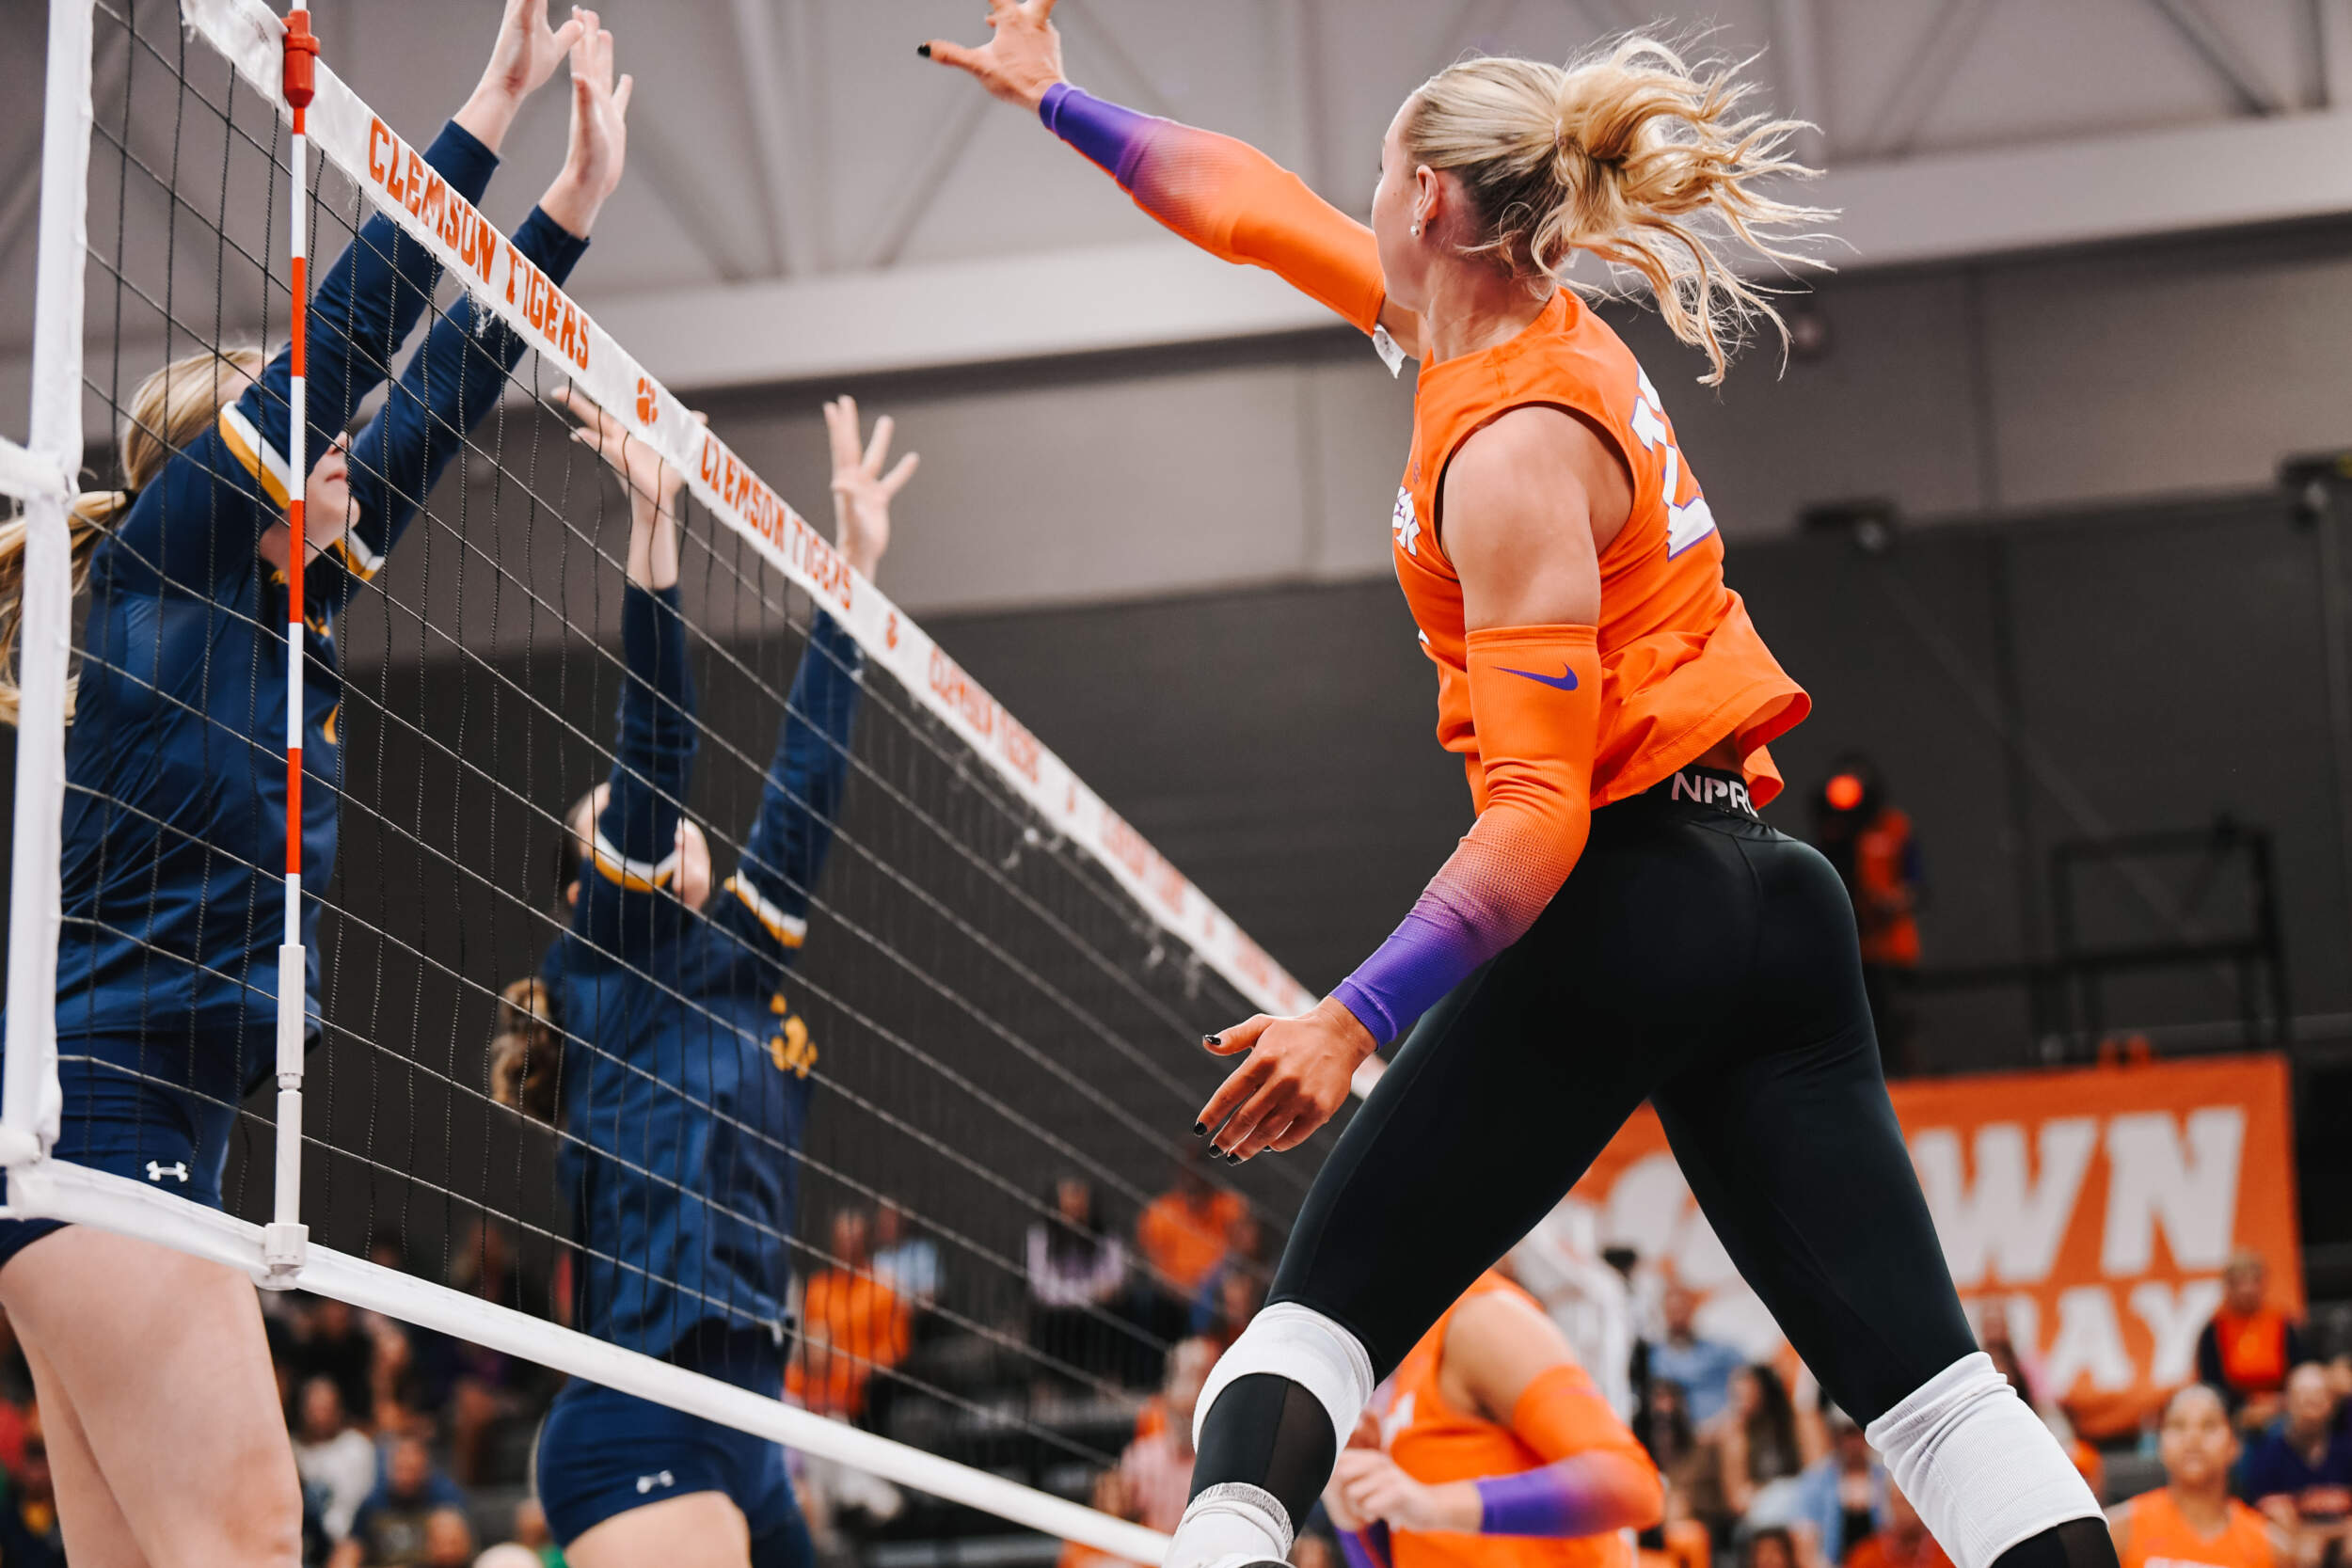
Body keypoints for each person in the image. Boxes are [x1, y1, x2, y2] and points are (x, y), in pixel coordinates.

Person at [924, 8, 2112, 1568]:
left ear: (1427, 196)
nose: (1355, 198)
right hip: (1767, 895)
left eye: (1376, 172)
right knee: (1933, 1395)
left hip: (1630, 891)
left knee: (1305, 1338)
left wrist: (1352, 1017)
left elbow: (1541, 816)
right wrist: (1058, 103)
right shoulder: (1485, 327)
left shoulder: (1508, 452)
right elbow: (1253, 210)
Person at [0, 6, 625, 1562]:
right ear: (235, 474)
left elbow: (436, 400)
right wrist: (484, 110)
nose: (344, 445)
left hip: (135, 1140)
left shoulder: (292, 618)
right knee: (257, 1539)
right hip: (106, 1130)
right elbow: (347, 335)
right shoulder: (165, 572)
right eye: (306, 435)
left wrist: (568, 210)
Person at [502, 388, 911, 1568]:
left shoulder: (738, 960)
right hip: (641, 1407)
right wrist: (653, 525)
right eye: (616, 823)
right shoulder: (602, 962)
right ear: (588, 886)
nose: (656, 824)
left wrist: (851, 574)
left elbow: (806, 780)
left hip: (751, 1408)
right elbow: (658, 744)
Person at [1323, 1271, 1661, 1568]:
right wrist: (1355, 1519)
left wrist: (1434, 1504)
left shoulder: (1480, 1318)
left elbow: (1631, 1484)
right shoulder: (1410, 1353)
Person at [1809, 757, 1921, 1075]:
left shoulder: (1895, 827)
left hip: (1893, 946)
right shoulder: (1835, 832)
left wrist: (1892, 903)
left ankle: (1904, 1074)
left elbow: (1917, 883)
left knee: (1894, 1016)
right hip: (1851, 948)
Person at [2106, 1385, 2285, 1568]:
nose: (2193, 1437)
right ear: (2160, 1444)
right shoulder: (2116, 1532)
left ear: (2234, 1445)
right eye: (2178, 1425)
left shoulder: (2273, 1550)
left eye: (2209, 1425)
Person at [792, 1209, 914, 1426]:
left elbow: (896, 1348)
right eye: (843, 1240)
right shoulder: (816, 1288)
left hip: (859, 1394)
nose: (848, 1246)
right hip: (809, 1388)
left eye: (854, 1240)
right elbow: (803, 1342)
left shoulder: (884, 1289)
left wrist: (857, 1370)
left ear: (866, 1241)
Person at [1029, 1176, 1134, 1385]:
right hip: (1057, 1317)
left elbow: (1117, 1281)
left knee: (1112, 1314)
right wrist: (1089, 1293)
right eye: (1069, 1211)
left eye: (1080, 1210)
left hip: (1096, 1315)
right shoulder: (1040, 1238)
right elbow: (1042, 1290)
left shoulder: (1107, 1238)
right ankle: (1048, 1384)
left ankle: (1108, 1381)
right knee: (1048, 1319)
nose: (1075, 1218)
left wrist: (1079, 1294)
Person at [2240, 1363, 2352, 1554]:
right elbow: (2262, 1519)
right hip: (2293, 1549)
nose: (2310, 1403)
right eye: (2302, 1396)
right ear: (2287, 1402)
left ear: (2332, 1403)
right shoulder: (2268, 1455)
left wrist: (2323, 1535)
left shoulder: (2346, 1450)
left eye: (2318, 1395)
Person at [2199, 1251, 2309, 1433]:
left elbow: (2299, 1368)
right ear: (2228, 1287)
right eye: (2239, 1282)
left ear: (2263, 1284)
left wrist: (2279, 1402)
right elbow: (2211, 1380)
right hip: (2235, 1413)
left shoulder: (2282, 1322)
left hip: (2282, 1408)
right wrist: (2246, 1406)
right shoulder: (2214, 1330)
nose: (2247, 1289)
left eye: (2253, 1281)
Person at [333, 1432, 469, 1568]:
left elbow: (456, 1550)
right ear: (389, 1468)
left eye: (412, 1469)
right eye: (401, 1468)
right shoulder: (373, 1503)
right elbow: (350, 1550)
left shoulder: (443, 1499)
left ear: (425, 1468)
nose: (406, 1477)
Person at [1784, 1409, 1887, 1565]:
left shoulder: (1886, 1477)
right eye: (1847, 1435)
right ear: (1836, 1437)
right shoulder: (1816, 1481)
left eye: (1858, 1433)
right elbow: (1805, 1538)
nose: (1853, 1442)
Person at [294, 1374, 382, 1543]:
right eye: (313, 1409)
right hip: (303, 1540)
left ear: (339, 1410)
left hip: (351, 1539)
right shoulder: (292, 1450)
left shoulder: (357, 1447)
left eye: (325, 1409)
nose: (319, 1416)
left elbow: (366, 1505)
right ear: (302, 1411)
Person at [1649, 1288, 1746, 1433]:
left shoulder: (1718, 1350)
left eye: (1682, 1310)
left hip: (1724, 1427)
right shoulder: (1657, 1357)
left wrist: (1733, 1414)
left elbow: (1747, 1376)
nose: (1678, 1317)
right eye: (1672, 1311)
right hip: (1683, 1433)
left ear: (1692, 1311)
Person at [1717, 1367, 1804, 1527]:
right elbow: (1738, 1500)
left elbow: (1817, 1472)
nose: (1741, 1404)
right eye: (1737, 1397)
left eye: (1747, 1395)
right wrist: (1771, 1491)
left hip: (1798, 1500)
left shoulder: (1795, 1423)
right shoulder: (1736, 1436)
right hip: (1760, 1513)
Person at [1847, 1488, 1951, 1568]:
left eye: (1912, 1502)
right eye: (1901, 1501)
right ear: (1889, 1504)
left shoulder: (1948, 1557)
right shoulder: (1865, 1556)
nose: (1907, 1509)